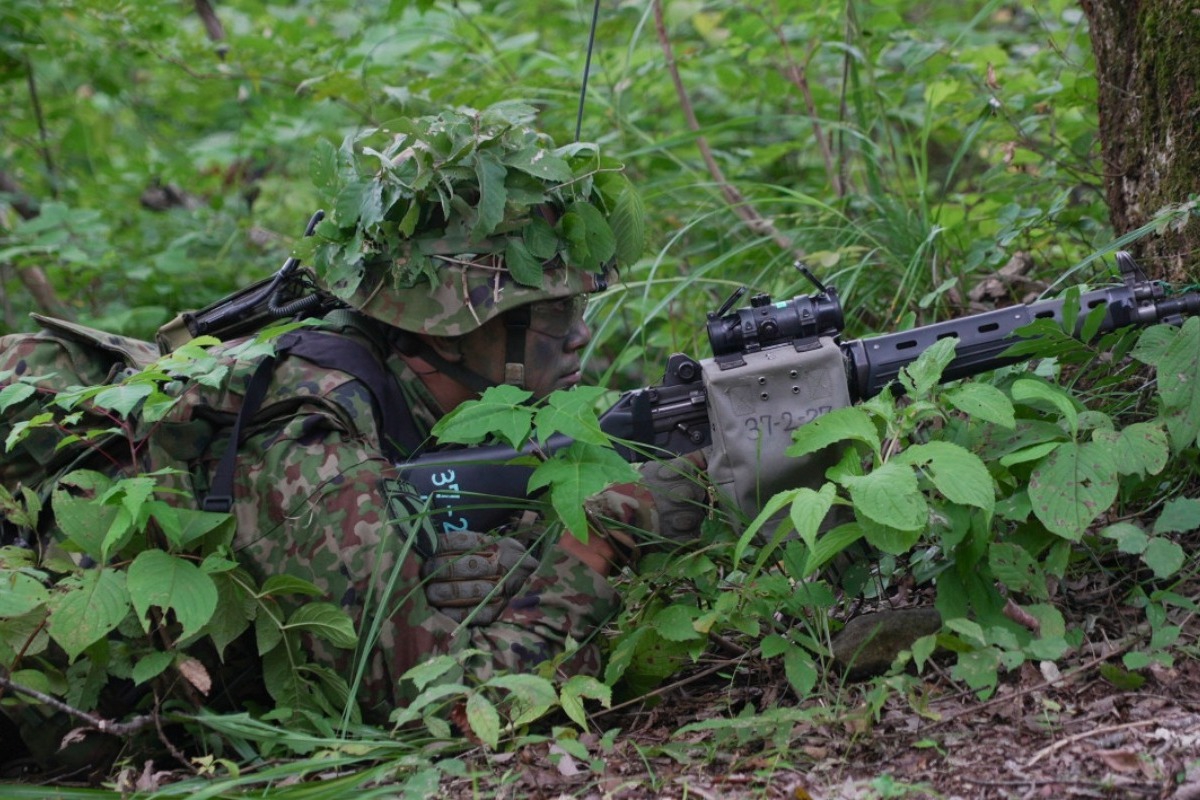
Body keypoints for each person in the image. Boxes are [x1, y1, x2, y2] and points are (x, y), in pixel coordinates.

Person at [134, 104, 705, 722]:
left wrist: (515, 555)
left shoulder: (415, 388)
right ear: (447, 329)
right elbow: (450, 707)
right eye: (554, 314)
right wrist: (596, 545)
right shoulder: (313, 443)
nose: (578, 338)